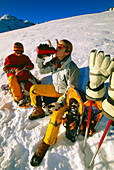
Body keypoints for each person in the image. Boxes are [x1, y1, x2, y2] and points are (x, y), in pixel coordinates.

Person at [29, 39, 81, 166]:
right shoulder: (55, 61)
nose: (56, 48)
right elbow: (41, 71)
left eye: (60, 47)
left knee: (55, 115)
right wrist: (40, 58)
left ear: (67, 52)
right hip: (55, 89)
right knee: (33, 89)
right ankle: (39, 110)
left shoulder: (73, 68)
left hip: (65, 96)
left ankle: (46, 143)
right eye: (57, 46)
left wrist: (60, 103)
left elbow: (71, 90)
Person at [3, 42, 34, 107]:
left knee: (31, 78)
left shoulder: (25, 58)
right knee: (12, 79)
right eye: (17, 51)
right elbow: (6, 69)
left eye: (20, 52)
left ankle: (34, 90)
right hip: (14, 75)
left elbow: (31, 65)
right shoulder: (10, 58)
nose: (19, 53)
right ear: (15, 50)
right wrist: (14, 69)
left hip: (23, 73)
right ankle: (19, 98)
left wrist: (27, 67)